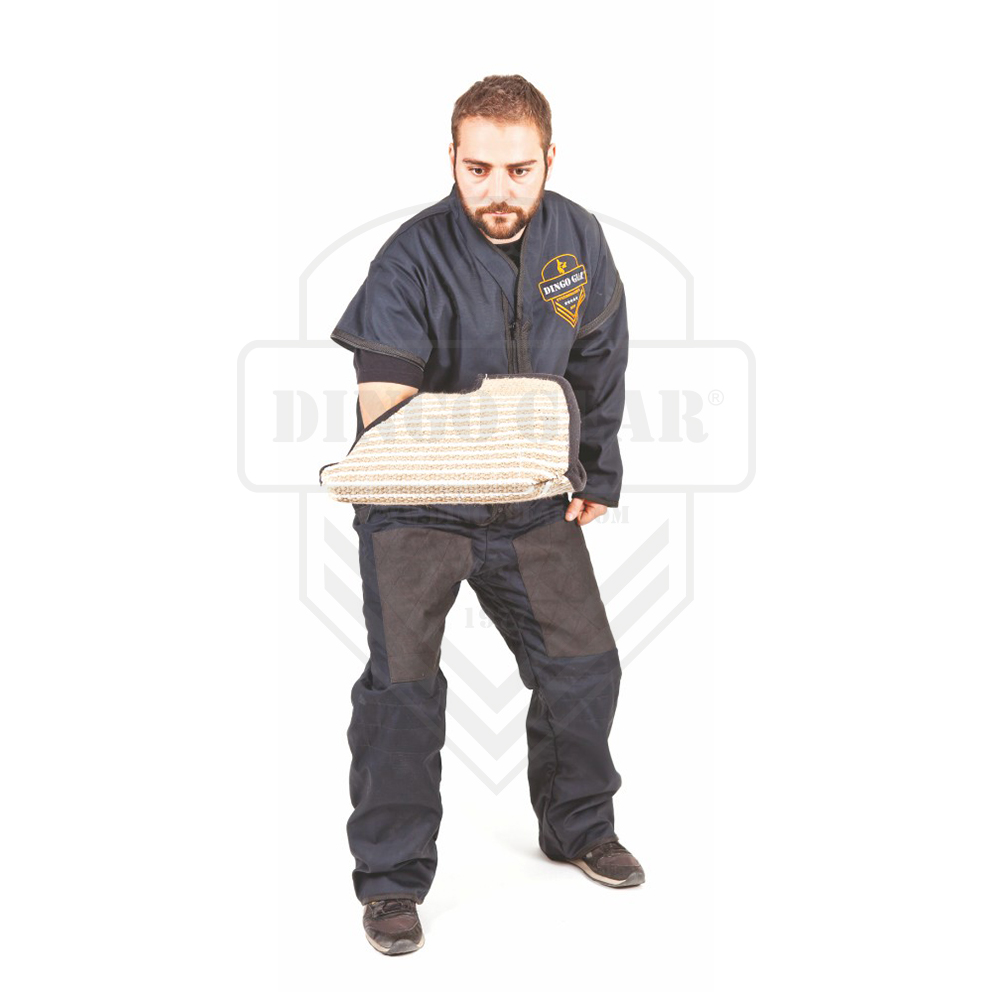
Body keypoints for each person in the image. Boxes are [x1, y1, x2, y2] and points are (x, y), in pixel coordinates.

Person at [330, 74, 643, 956]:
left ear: (549, 159)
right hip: (414, 506)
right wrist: (509, 423)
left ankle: (578, 827)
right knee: (403, 691)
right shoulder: (408, 258)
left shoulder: (576, 239)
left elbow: (598, 358)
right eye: (478, 169)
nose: (497, 190)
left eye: (518, 169)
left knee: (585, 665)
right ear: (453, 161)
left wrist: (594, 469)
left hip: (530, 501)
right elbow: (387, 408)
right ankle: (391, 881)